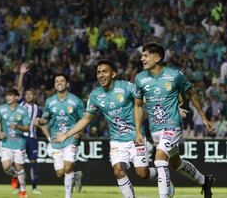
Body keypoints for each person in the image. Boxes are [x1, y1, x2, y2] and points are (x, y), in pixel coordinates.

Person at [53, 59, 174, 198]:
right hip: (117, 141)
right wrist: (67, 134)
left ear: (113, 74)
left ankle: (163, 176)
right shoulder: (95, 95)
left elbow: (145, 100)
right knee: (118, 170)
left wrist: (169, 107)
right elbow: (86, 118)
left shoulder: (126, 87)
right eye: (99, 72)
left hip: (136, 137)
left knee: (142, 174)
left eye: (105, 71)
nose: (101, 75)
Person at [134, 42, 215, 198]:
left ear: (157, 57)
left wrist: (203, 117)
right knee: (175, 163)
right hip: (155, 128)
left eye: (145, 55)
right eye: (142, 55)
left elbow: (192, 93)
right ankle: (205, 181)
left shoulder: (175, 75)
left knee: (159, 158)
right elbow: (138, 106)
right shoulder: (140, 78)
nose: (142, 59)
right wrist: (138, 131)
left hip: (172, 125)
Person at [34, 73, 83, 198]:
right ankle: (75, 175)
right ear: (55, 85)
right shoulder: (50, 101)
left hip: (71, 138)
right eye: (57, 81)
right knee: (60, 173)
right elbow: (45, 119)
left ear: (67, 84)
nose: (59, 83)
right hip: (56, 140)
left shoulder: (76, 101)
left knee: (67, 168)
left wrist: (79, 132)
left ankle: (68, 196)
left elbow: (84, 119)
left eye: (62, 81)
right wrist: (40, 121)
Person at [0, 89, 30, 198]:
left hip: (19, 143)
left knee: (19, 167)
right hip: (6, 142)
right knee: (6, 166)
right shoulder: (1, 109)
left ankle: (23, 191)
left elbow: (27, 128)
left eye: (11, 95)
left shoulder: (23, 111)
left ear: (17, 97)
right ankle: (14, 176)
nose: (8, 97)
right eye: (7, 95)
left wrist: (18, 126)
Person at [16, 63, 46, 194]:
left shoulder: (37, 109)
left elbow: (41, 123)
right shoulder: (21, 103)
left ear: (34, 97)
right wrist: (22, 74)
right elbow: (18, 89)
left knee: (33, 161)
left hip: (32, 138)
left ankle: (34, 187)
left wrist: (48, 136)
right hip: (20, 137)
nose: (27, 96)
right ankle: (19, 187)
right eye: (26, 94)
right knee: (18, 163)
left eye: (30, 94)